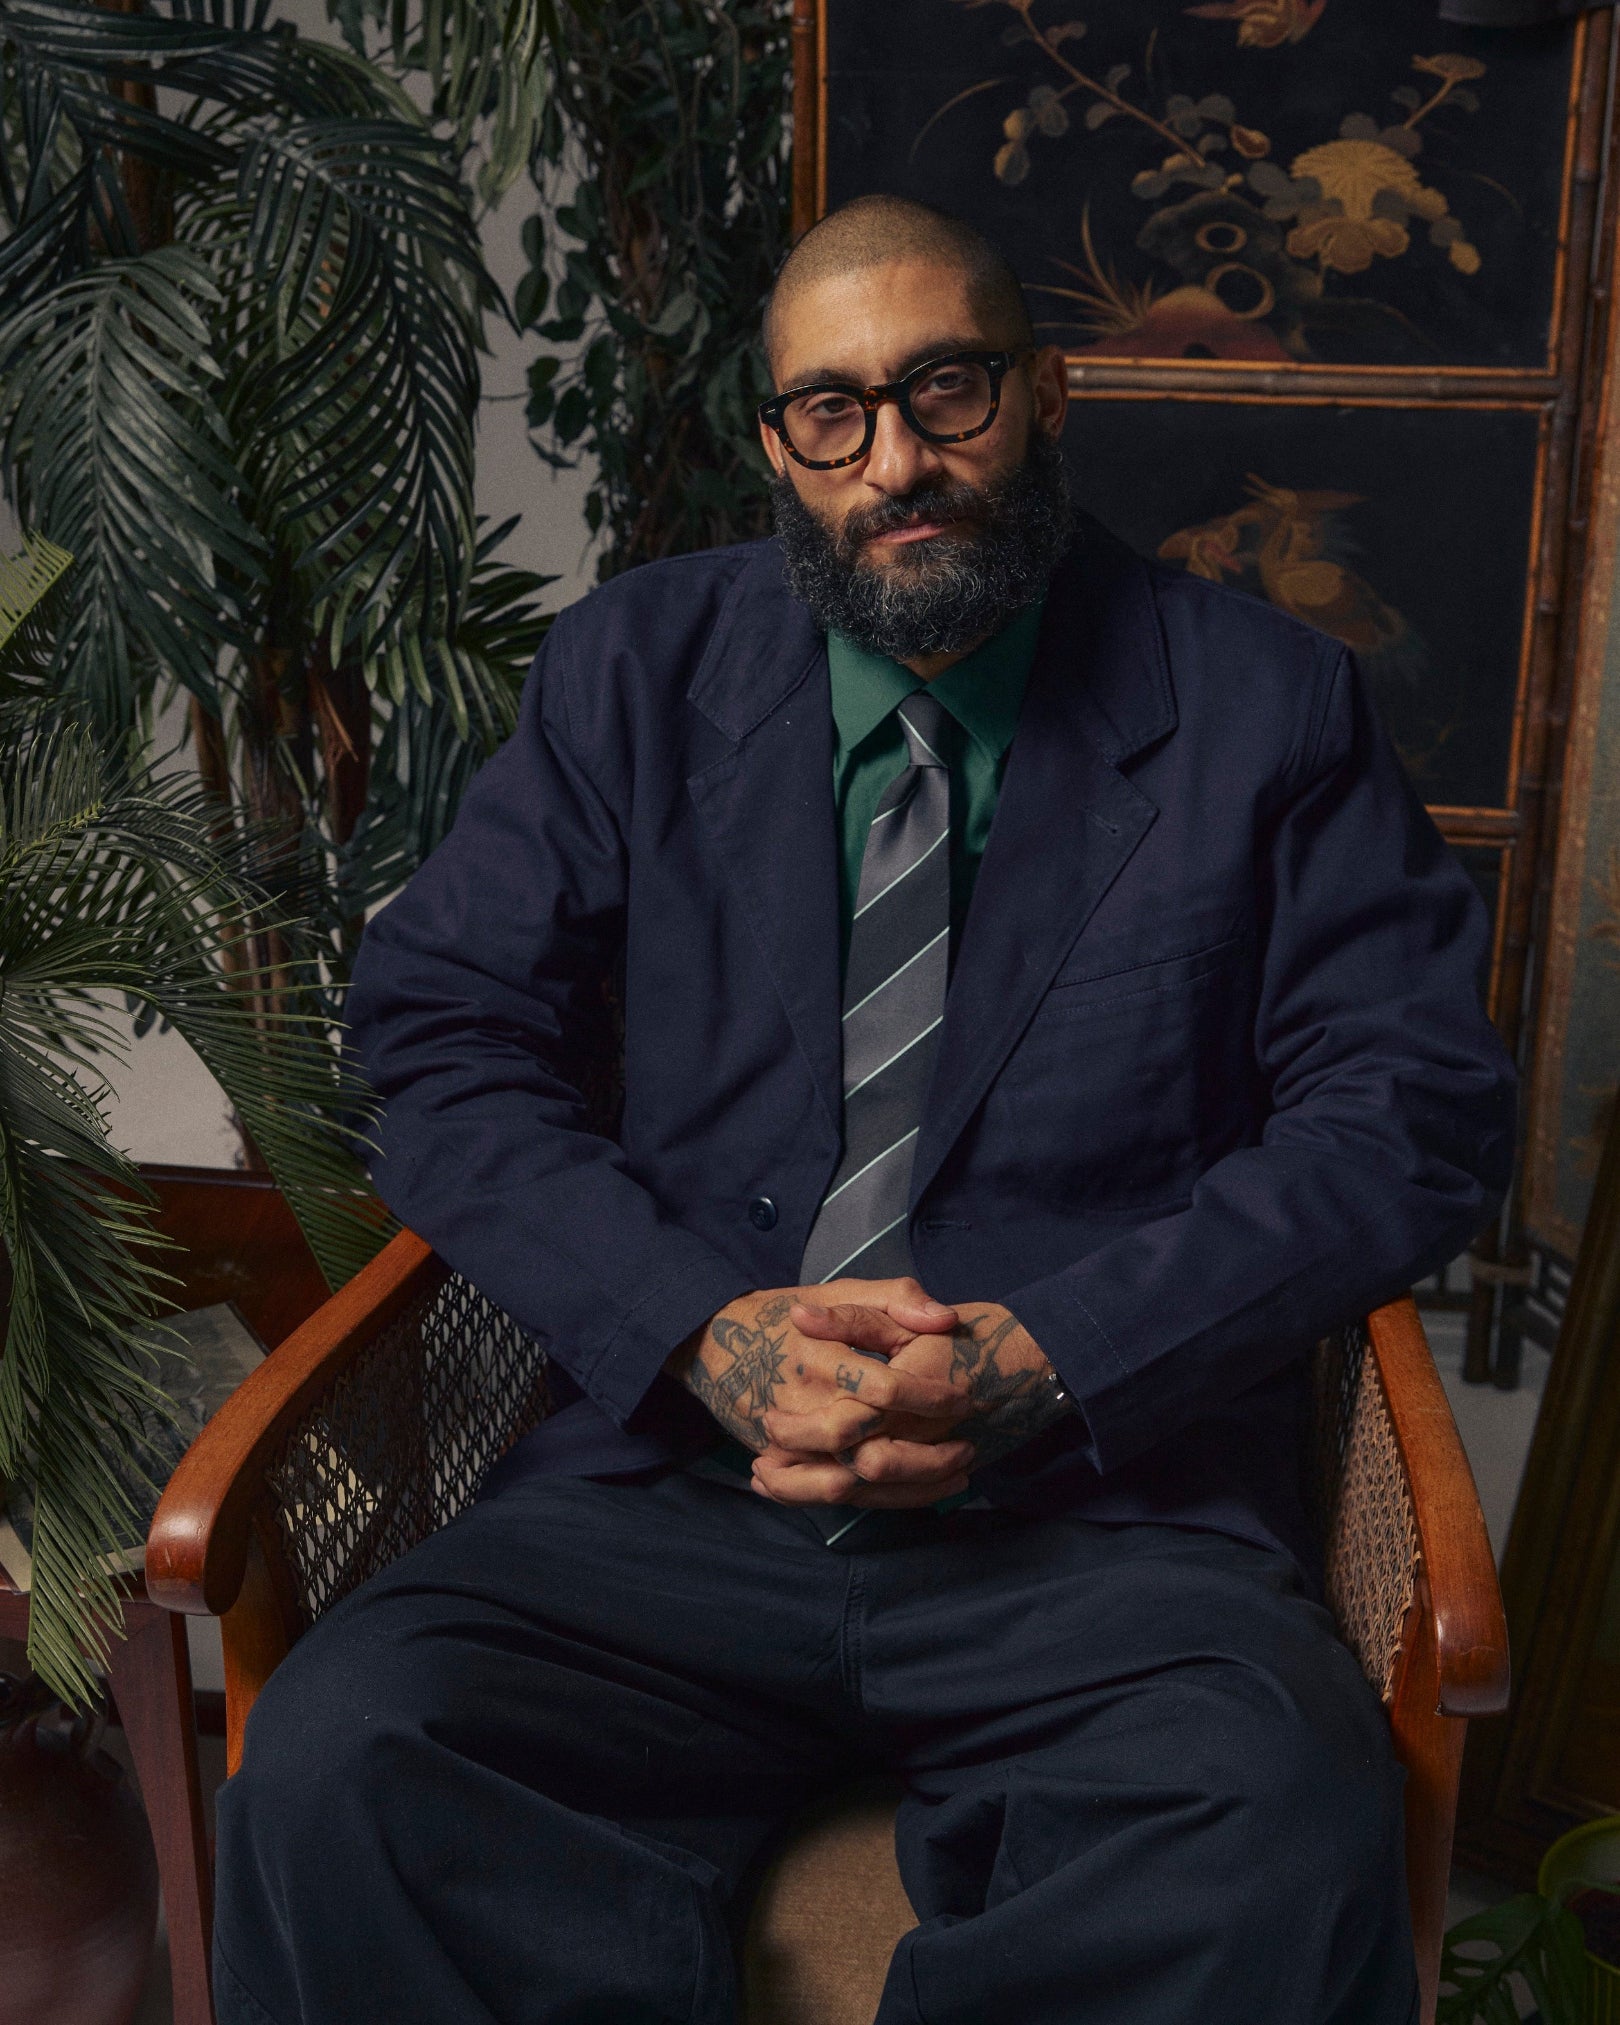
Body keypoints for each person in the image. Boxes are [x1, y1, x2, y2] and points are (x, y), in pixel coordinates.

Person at [212, 196, 1516, 2025]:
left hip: (1098, 1525)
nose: (895, 460)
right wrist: (698, 1330)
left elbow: (1412, 1112)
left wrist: (1056, 1353)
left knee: (1277, 1823)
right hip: (671, 1491)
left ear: (1047, 396)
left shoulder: (1261, 706)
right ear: (780, 448)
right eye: (833, 413)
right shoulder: (632, 678)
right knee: (349, 1755)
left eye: (946, 392)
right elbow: (439, 1033)